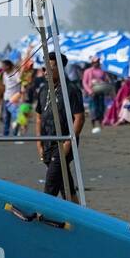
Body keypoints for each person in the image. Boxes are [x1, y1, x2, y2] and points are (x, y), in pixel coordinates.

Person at [34, 55, 85, 199]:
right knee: (65, 183)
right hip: (47, 142)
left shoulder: (71, 90)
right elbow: (38, 117)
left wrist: (68, 142)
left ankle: (43, 213)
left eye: (50, 69)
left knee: (51, 184)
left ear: (60, 69)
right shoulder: (43, 90)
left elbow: (79, 118)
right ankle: (76, 214)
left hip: (63, 142)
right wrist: (39, 142)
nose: (46, 72)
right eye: (44, 69)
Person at [81, 57, 110, 129]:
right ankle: (93, 124)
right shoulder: (88, 71)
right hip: (92, 92)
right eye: (95, 62)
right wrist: (89, 91)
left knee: (101, 107)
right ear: (92, 63)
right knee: (93, 108)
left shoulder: (102, 71)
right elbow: (84, 82)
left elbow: (106, 80)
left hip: (101, 91)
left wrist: (106, 81)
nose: (96, 63)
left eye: (97, 61)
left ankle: (101, 123)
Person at [0, 59, 22, 137]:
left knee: (16, 116)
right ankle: (5, 133)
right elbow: (5, 85)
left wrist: (20, 94)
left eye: (3, 66)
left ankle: (16, 132)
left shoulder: (15, 73)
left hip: (14, 99)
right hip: (6, 98)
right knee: (6, 117)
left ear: (8, 66)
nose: (2, 67)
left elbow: (20, 83)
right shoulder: (4, 74)